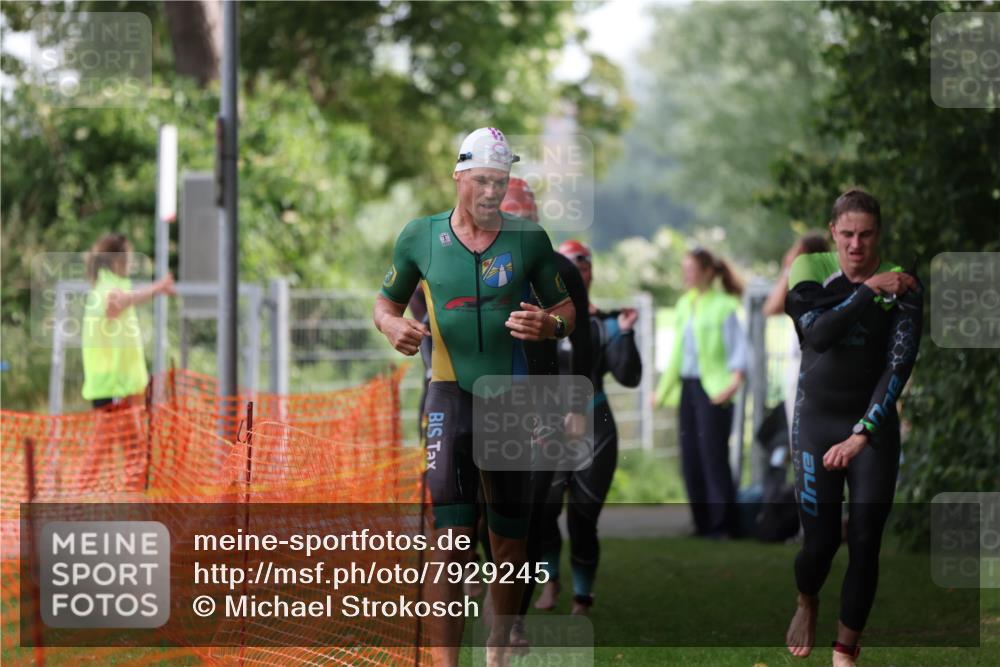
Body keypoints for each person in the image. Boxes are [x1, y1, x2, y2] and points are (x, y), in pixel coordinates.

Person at [372, 127, 575, 666]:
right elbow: (385, 304)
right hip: (449, 398)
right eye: (482, 180)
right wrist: (392, 327)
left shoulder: (530, 240)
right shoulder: (420, 236)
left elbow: (566, 310)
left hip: (510, 405)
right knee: (452, 540)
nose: (491, 191)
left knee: (509, 543)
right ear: (458, 175)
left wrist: (550, 325)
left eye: (499, 181)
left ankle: (496, 653)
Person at [782, 189, 922, 666]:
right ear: (833, 233)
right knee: (820, 544)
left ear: (878, 234)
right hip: (816, 422)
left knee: (865, 540)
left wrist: (863, 432)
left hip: (872, 427)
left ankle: (845, 651)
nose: (856, 245)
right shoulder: (810, 271)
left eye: (866, 234)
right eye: (847, 235)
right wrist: (868, 290)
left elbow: (898, 365)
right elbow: (818, 335)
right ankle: (807, 599)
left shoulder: (904, 284)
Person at [496, 180, 593, 649]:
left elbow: (585, 340)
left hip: (544, 403)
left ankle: (514, 618)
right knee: (490, 512)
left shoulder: (559, 270)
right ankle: (497, 598)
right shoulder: (479, 266)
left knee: (533, 512)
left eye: (526, 217)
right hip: (488, 400)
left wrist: (578, 407)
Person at [534, 239, 642, 616]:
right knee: (543, 513)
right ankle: (550, 581)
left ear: (591, 273)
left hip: (595, 428)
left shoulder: (604, 324)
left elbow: (630, 376)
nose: (575, 272)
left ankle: (582, 597)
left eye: (583, 265)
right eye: (568, 265)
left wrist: (625, 334)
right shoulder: (539, 320)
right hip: (549, 426)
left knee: (583, 518)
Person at [655, 247, 746, 539]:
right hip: (688, 388)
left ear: (708, 272)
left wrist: (733, 384)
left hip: (715, 391)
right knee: (691, 457)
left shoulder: (725, 305)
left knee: (713, 457)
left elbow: (739, 349)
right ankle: (702, 523)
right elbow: (677, 353)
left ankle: (723, 525)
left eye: (691, 270)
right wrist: (662, 391)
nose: (686, 275)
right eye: (685, 270)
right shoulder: (684, 303)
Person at [82, 233, 175, 409]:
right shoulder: (106, 288)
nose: (131, 264)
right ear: (118, 261)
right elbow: (117, 302)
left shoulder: (110, 285)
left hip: (119, 383)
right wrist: (157, 288)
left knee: (126, 426)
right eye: (129, 258)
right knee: (113, 427)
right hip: (112, 384)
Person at [762, 233, 830, 434]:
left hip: (807, 365)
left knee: (802, 430)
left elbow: (771, 307)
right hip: (802, 362)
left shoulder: (808, 281)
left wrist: (788, 269)